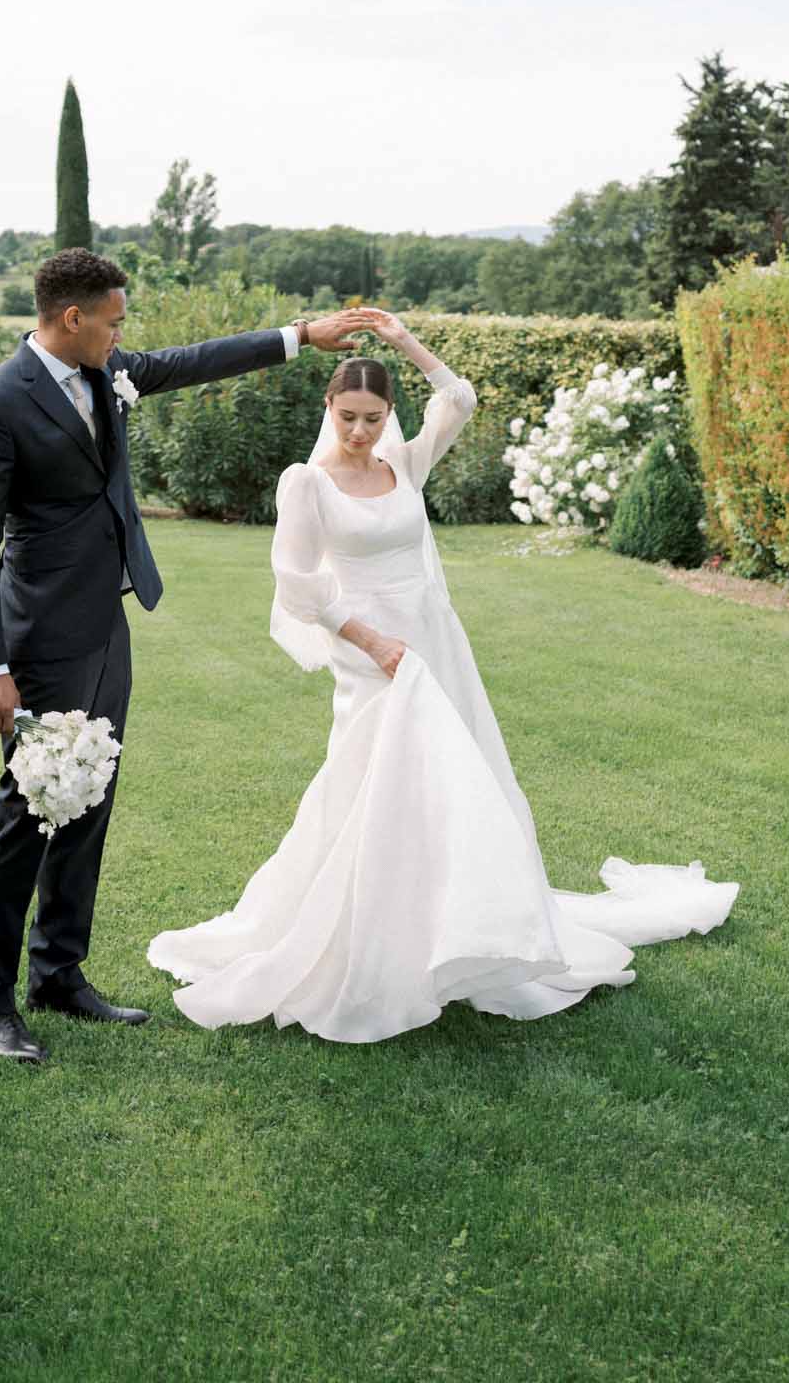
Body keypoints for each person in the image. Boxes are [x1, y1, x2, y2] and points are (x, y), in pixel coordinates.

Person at [147, 308, 739, 1044]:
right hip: (366, 650)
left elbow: (458, 398)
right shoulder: (306, 482)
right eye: (346, 417)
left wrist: (403, 343)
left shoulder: (406, 466)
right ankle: (365, 935)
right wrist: (371, 643)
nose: (358, 432)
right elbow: (297, 582)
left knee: (456, 775)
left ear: (387, 415)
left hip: (432, 638)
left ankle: (458, 922)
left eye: (370, 417)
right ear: (326, 410)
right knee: (370, 778)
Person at [0, 245, 373, 1066]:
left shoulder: (106, 370)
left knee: (89, 795)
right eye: (112, 321)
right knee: (29, 812)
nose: (121, 335)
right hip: (38, 637)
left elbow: (192, 362)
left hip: (106, 623)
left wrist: (298, 335)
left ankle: (58, 974)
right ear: (70, 319)